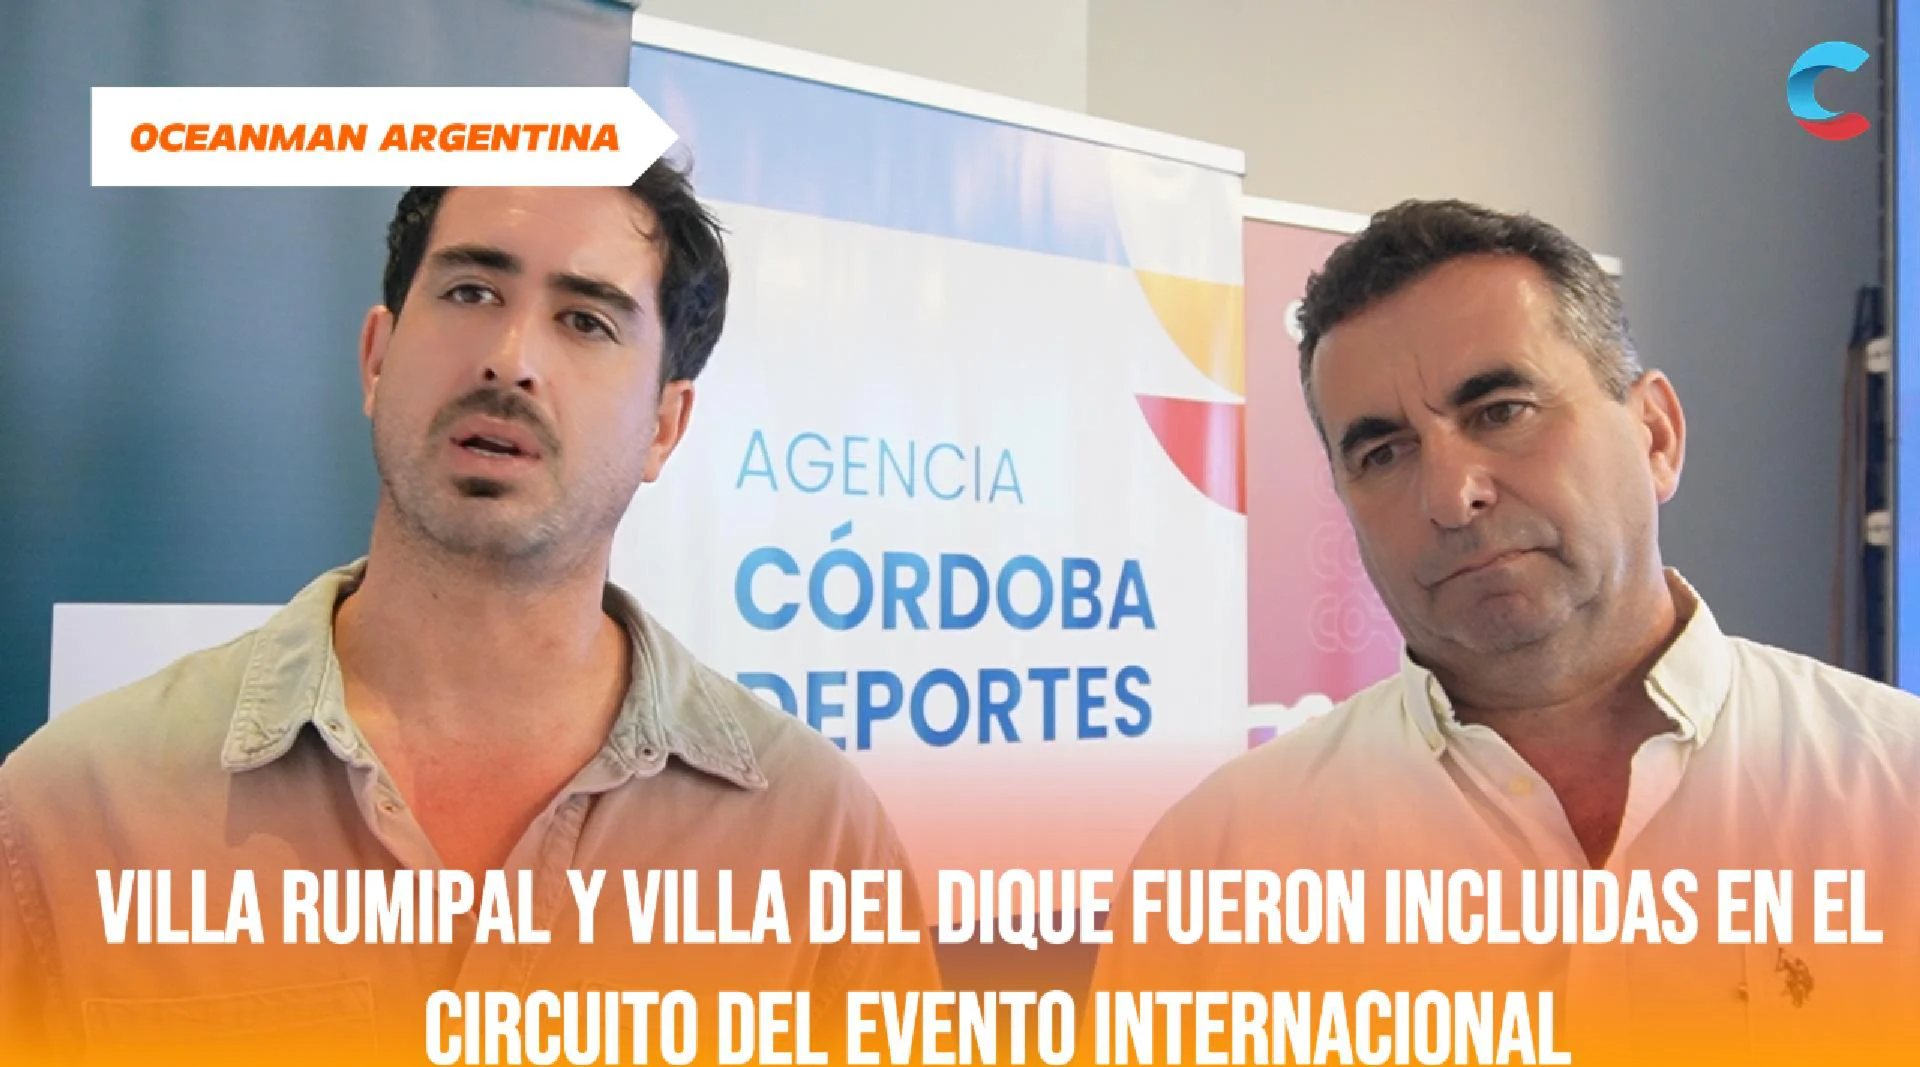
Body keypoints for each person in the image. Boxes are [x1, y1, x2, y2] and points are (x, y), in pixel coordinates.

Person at [0, 164, 939, 1066]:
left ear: (664, 426)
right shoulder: (72, 811)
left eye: (585, 320)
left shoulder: (817, 836)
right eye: (471, 292)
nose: (511, 358)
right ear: (377, 358)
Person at [1088, 200, 1920, 1066]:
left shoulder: (1896, 787)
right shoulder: (1218, 865)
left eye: (1501, 410)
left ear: (1656, 435)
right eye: (1384, 453)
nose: (1452, 495)